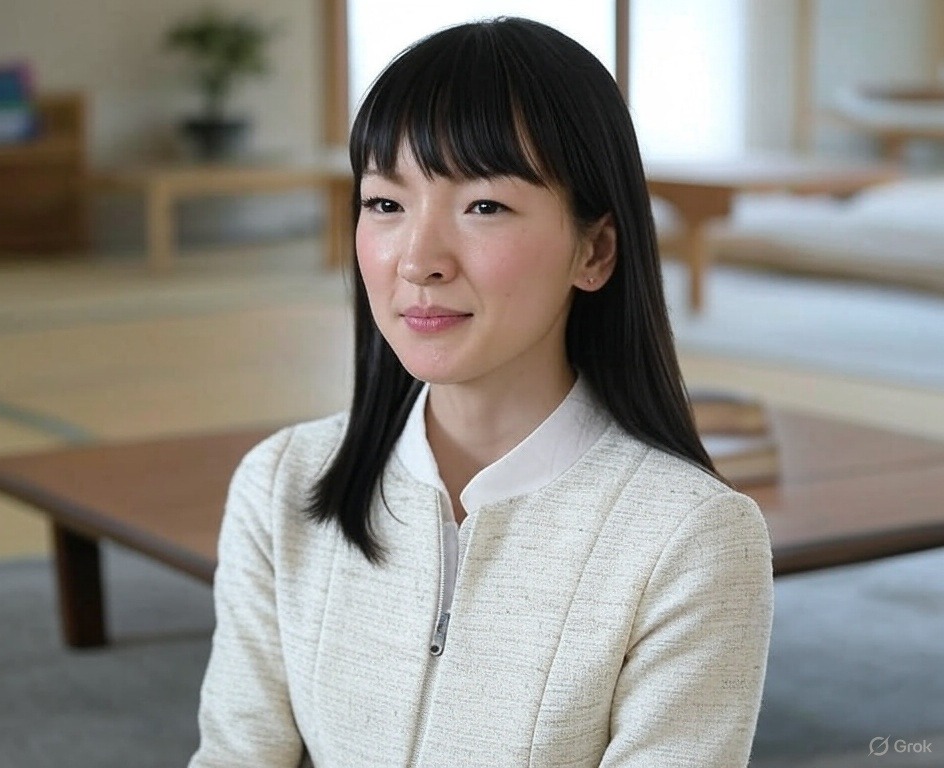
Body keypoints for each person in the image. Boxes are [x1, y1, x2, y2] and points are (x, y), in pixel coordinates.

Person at [189, 16, 773, 768]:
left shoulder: (691, 539)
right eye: (385, 204)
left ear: (593, 251)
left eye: (484, 206)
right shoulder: (282, 485)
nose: (418, 260)